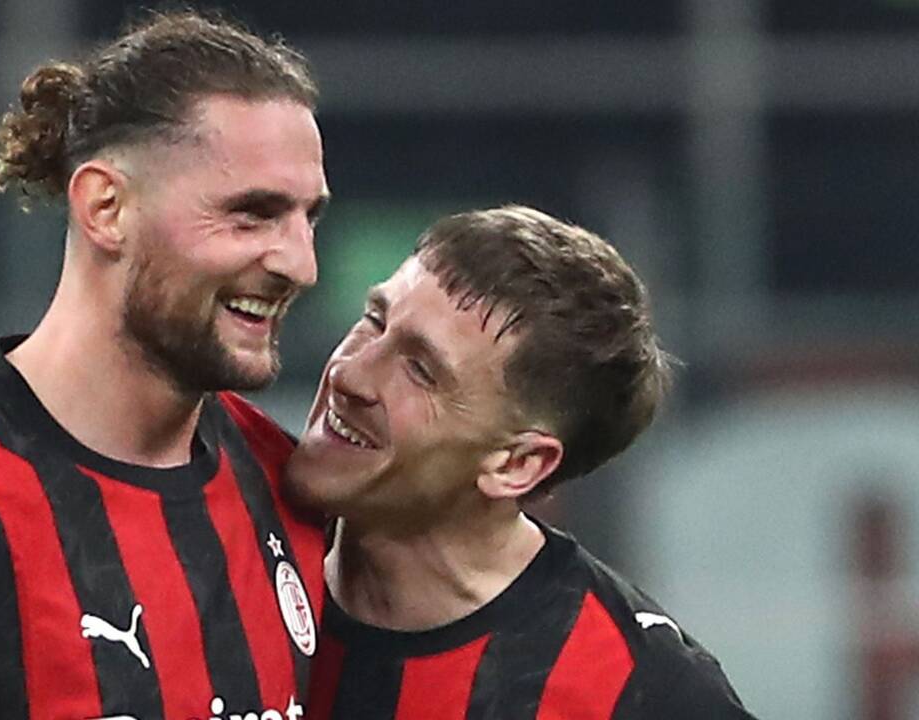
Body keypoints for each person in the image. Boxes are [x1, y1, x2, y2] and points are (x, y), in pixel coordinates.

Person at [0, 10, 330, 720]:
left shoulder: (286, 482)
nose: (300, 264)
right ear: (106, 207)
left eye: (308, 218)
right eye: (252, 214)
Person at [284, 206, 757, 719]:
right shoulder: (234, 543)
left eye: (420, 370)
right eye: (374, 320)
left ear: (517, 464)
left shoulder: (643, 694)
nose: (349, 374)